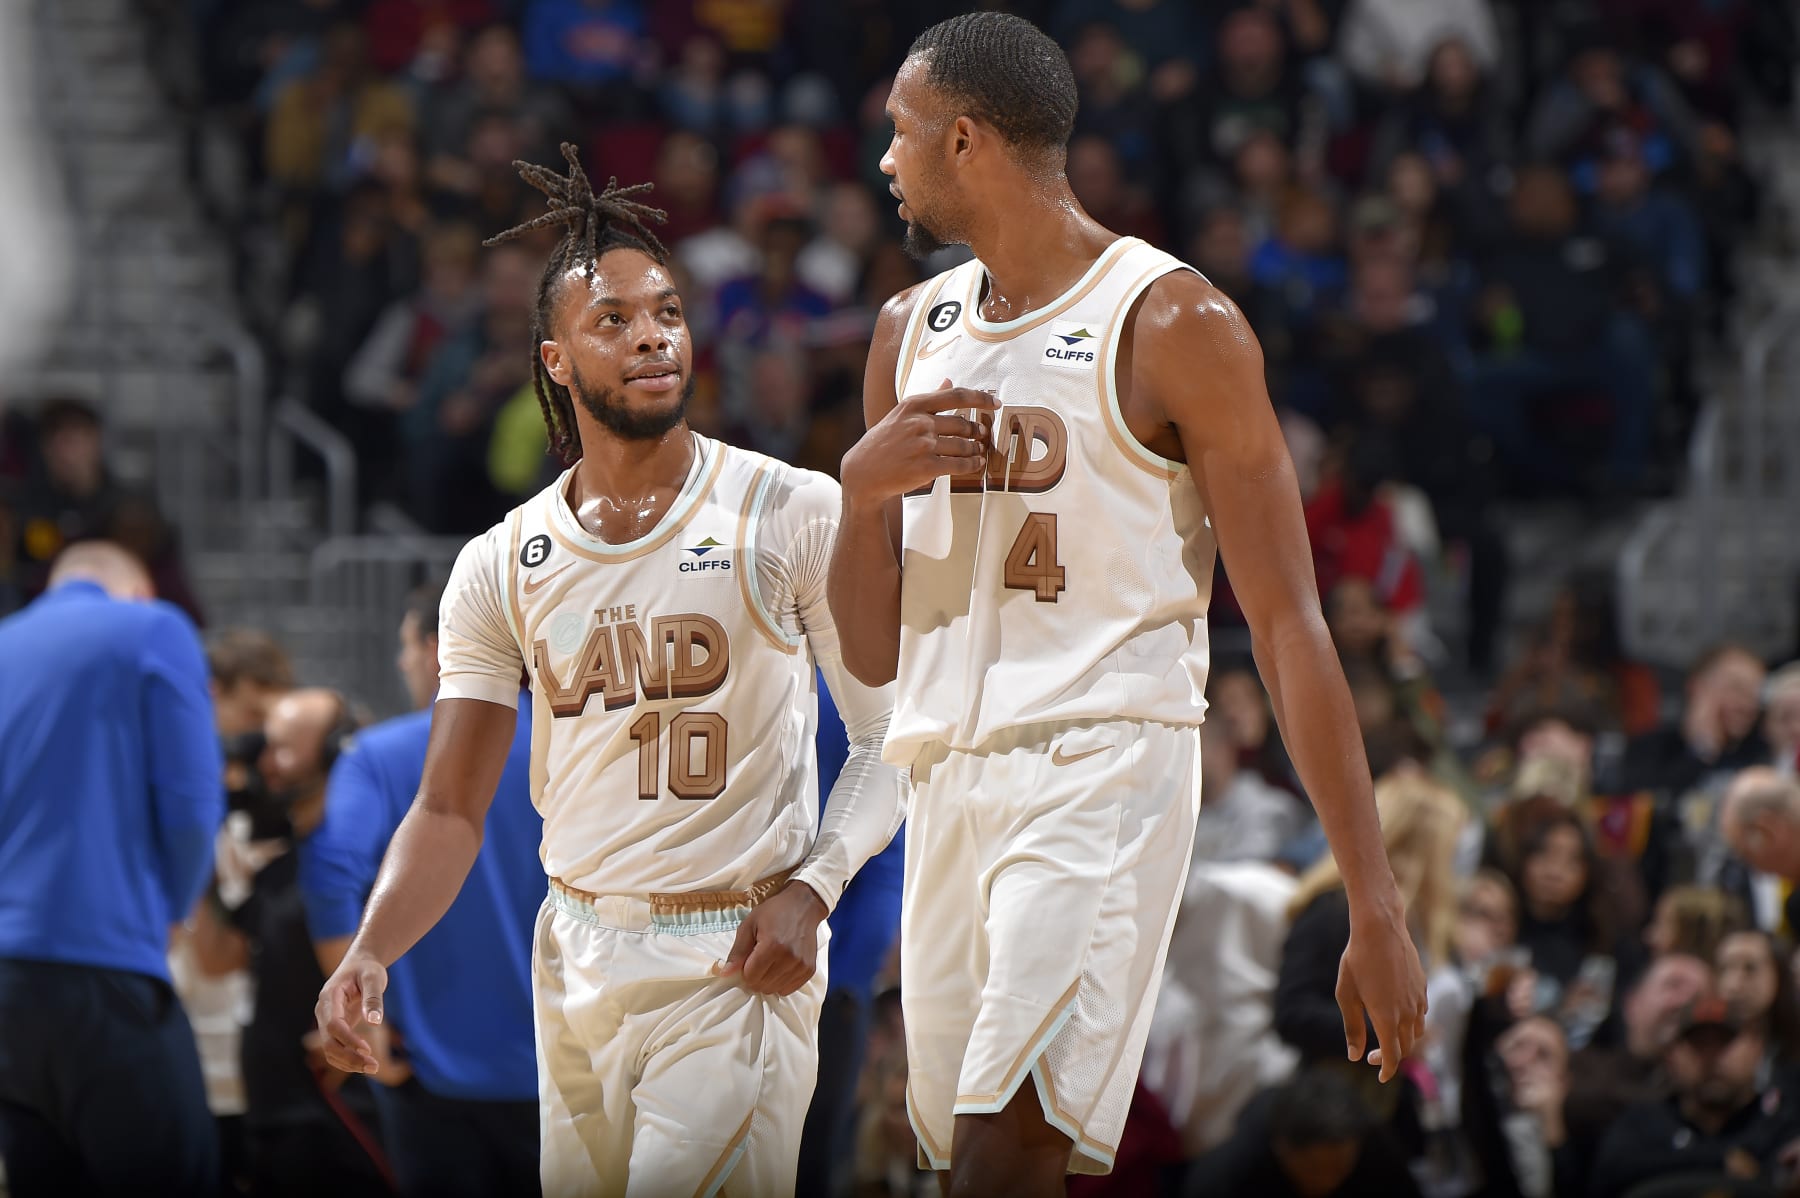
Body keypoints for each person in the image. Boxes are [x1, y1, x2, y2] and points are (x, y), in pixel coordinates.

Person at [825, 13, 1427, 1190]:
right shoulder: (907, 333)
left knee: (1008, 1150)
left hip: (1099, 764)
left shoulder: (1173, 320)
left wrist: (1375, 897)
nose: (885, 160)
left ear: (964, 140)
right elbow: (868, 649)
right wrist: (858, 496)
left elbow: (1290, 625)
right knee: (966, 1162)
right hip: (944, 775)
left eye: (900, 131)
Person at [314, 144, 906, 1198]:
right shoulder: (500, 562)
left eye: (668, 313)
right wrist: (370, 948)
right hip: (576, 947)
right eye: (615, 320)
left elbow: (889, 733)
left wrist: (814, 891)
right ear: (555, 359)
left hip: (734, 953)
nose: (652, 337)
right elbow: (447, 810)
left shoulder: (789, 507)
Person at [301, 581, 543, 1197]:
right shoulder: (580, 745)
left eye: (406, 646)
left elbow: (330, 874)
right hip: (575, 1065)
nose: (402, 661)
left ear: (439, 649)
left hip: (430, 1070)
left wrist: (363, 1015)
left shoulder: (376, 756)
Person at [0, 542, 223, 1196]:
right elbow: (191, 802)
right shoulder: (153, 627)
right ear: (137, 590)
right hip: (103, 964)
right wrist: (175, 910)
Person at [208, 688, 393, 1198]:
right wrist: (202, 849)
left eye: (283, 748)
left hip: (340, 1121)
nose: (266, 764)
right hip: (274, 1114)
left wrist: (371, 1031)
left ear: (333, 754)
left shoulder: (368, 871)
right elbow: (216, 958)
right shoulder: (280, 868)